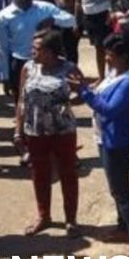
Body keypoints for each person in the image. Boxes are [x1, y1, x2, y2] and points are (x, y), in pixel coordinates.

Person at [69, 34, 129, 257]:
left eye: (111, 55)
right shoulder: (114, 74)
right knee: (116, 188)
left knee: (121, 190)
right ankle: (123, 227)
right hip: (106, 137)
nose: (106, 58)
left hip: (118, 141)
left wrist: (84, 91)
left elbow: (111, 109)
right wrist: (84, 91)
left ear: (124, 57)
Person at [16, 29, 80, 238]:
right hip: (35, 130)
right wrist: (18, 132)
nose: (32, 52)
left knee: (68, 174)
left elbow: (84, 94)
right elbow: (21, 101)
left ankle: (71, 220)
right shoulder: (28, 68)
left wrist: (69, 99)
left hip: (63, 130)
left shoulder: (69, 69)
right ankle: (44, 216)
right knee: (39, 174)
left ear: (51, 52)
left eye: (37, 48)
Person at [0, 0, 76, 100]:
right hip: (20, 63)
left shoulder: (44, 8)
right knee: (21, 98)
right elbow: (2, 48)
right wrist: (5, 76)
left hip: (46, 62)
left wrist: (54, 20)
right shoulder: (3, 17)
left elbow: (71, 20)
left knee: (49, 97)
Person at [73, 0, 117, 78]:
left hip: (104, 16)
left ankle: (112, 74)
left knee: (108, 46)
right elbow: (78, 1)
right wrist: (77, 22)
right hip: (89, 18)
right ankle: (102, 76)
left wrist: (112, 12)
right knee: (98, 47)